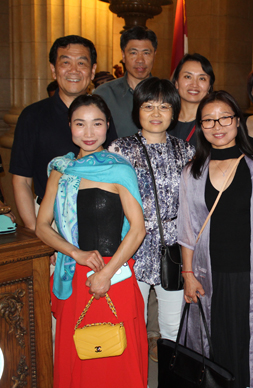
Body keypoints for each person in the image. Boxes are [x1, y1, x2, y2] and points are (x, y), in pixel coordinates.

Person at [177, 91, 253, 388]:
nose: (218, 125)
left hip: (249, 273)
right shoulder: (192, 172)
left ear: (237, 121)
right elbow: (187, 229)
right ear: (201, 126)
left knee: (245, 340)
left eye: (224, 117)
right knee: (213, 341)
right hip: (208, 274)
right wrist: (188, 275)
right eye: (209, 120)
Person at [35, 94, 148, 387]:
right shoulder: (60, 170)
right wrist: (77, 253)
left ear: (107, 126)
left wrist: (106, 274)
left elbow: (138, 229)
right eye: (80, 124)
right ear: (70, 127)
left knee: (116, 355)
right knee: (79, 354)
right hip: (75, 273)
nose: (88, 133)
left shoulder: (120, 169)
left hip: (115, 273)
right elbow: (42, 227)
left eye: (96, 124)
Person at [109, 78, 194, 343]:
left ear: (174, 112)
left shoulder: (186, 150)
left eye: (164, 107)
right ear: (137, 111)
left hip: (173, 246)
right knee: (133, 323)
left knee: (173, 325)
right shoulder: (120, 150)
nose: (156, 114)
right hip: (133, 245)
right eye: (148, 106)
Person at [10, 35, 118, 231]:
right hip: (49, 219)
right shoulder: (32, 116)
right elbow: (21, 181)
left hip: (98, 218)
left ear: (92, 70)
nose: (74, 70)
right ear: (53, 69)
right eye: (66, 62)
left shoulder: (102, 113)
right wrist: (38, 234)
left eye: (82, 63)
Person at [95, 26, 157, 138]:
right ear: (123, 56)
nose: (140, 60)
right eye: (133, 53)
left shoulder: (167, 93)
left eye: (146, 53)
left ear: (154, 55)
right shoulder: (104, 95)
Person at [170, 53, 215, 146]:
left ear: (209, 87)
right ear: (176, 83)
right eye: (188, 77)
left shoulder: (214, 124)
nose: (194, 84)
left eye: (202, 78)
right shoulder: (163, 119)